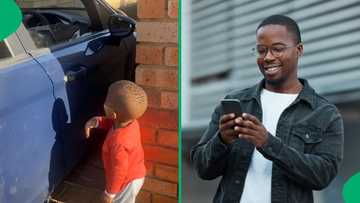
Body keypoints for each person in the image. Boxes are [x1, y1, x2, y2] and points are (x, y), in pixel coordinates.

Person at [190, 15, 344, 203]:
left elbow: (322, 176)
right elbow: (202, 169)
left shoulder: (324, 113)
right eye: (261, 50)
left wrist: (267, 143)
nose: (268, 57)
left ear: (299, 50)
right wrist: (221, 140)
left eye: (277, 49)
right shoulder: (235, 101)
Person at [85, 80, 148, 203]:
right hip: (135, 172)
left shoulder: (119, 143)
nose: (104, 103)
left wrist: (110, 193)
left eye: (106, 102)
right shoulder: (131, 122)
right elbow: (112, 122)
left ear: (113, 114)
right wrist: (98, 122)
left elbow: (119, 171)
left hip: (127, 181)